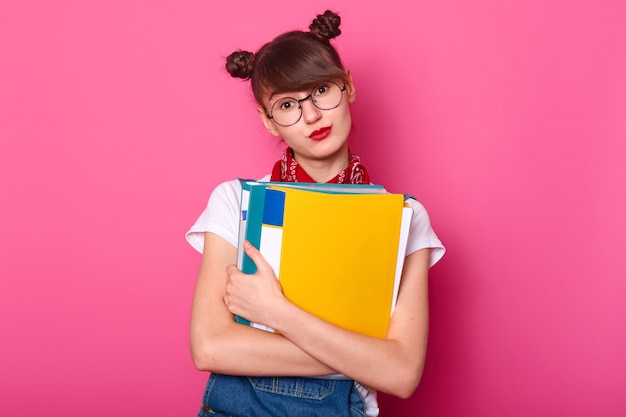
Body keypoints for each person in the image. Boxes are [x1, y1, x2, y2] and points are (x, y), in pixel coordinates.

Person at [186, 10, 445, 417]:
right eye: (287, 104)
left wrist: (276, 313)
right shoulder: (235, 201)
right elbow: (210, 347)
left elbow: (402, 374)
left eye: (322, 90)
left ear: (349, 85)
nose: (311, 116)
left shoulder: (405, 216)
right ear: (268, 121)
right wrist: (363, 356)